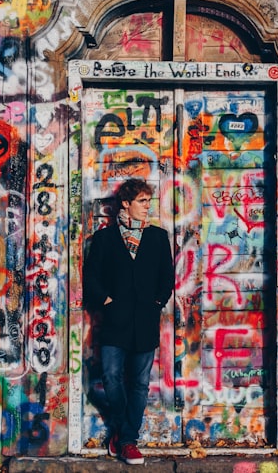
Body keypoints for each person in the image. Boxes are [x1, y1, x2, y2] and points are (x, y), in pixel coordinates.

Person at [84, 178, 174, 465]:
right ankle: (125, 436)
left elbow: (167, 278)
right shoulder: (105, 239)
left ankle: (127, 440)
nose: (148, 207)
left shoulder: (159, 238)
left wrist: (157, 302)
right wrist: (106, 301)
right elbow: (92, 278)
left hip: (145, 322)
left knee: (139, 383)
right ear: (126, 203)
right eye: (142, 201)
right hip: (114, 321)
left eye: (149, 201)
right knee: (110, 377)